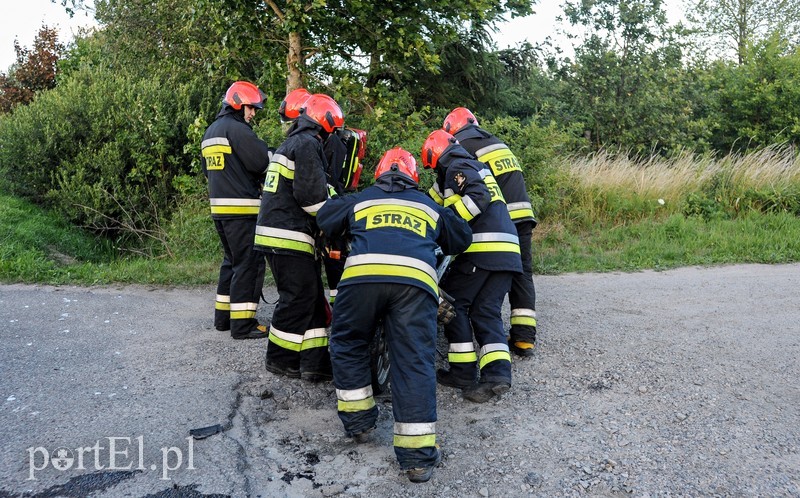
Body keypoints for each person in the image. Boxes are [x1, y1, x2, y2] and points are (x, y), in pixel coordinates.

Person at [316, 147, 472, 483]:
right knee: (413, 360)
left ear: (379, 174)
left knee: (348, 342)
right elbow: (461, 238)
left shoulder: (359, 200)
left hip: (361, 282)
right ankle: (417, 460)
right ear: (414, 178)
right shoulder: (429, 206)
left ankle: (359, 425)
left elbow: (325, 219)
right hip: (414, 287)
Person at [422, 130, 522, 403]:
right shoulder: (472, 165)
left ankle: (463, 373)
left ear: (434, 156)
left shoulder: (457, 165)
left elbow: (477, 198)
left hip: (482, 250)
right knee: (486, 312)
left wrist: (447, 226)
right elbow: (431, 204)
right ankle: (497, 376)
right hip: (508, 251)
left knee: (452, 306)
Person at [254, 93, 344, 382]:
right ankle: (280, 359)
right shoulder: (307, 144)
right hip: (288, 235)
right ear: (326, 125)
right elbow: (311, 198)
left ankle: (315, 363)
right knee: (298, 298)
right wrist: (336, 220)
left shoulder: (294, 141)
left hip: (282, 233)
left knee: (314, 299)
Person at [443, 107, 539, 357]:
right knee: (521, 273)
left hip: (500, 220)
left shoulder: (460, 146)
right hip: (523, 217)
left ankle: (476, 333)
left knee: (490, 269)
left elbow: (448, 182)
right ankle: (524, 338)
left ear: (451, 131)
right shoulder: (496, 142)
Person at [201, 81, 271, 340]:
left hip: (220, 210)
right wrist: (272, 153)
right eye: (251, 108)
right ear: (238, 103)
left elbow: (207, 171)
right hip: (243, 210)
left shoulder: (211, 131)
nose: (253, 114)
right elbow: (261, 162)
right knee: (248, 265)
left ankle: (223, 319)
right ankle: (243, 325)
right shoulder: (238, 130)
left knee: (231, 262)